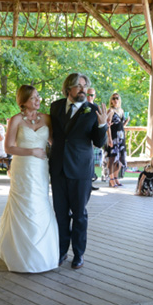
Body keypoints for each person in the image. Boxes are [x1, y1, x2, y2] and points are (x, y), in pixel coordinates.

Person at [0, 85, 59, 272]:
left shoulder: (46, 118)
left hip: (40, 168)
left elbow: (54, 141)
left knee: (39, 202)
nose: (38, 100)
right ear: (22, 101)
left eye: (38, 96)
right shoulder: (15, 120)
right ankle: (18, 253)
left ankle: (43, 254)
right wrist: (31, 151)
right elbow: (8, 148)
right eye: (32, 98)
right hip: (23, 166)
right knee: (24, 202)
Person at [49, 73, 108, 269]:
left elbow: (99, 143)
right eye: (78, 86)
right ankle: (61, 251)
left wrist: (102, 125)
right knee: (60, 214)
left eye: (85, 86)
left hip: (81, 170)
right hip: (58, 169)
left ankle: (79, 254)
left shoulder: (93, 111)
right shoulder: (55, 106)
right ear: (68, 89)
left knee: (79, 214)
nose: (83, 89)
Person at [105, 92, 129, 187]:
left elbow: (119, 125)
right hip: (113, 138)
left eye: (117, 98)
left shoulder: (121, 110)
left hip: (121, 138)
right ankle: (111, 179)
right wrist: (110, 139)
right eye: (113, 98)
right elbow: (108, 126)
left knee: (119, 159)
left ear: (119, 100)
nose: (115, 100)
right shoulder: (110, 111)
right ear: (111, 100)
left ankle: (116, 177)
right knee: (112, 159)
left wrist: (126, 122)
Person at [87, 87, 100, 191]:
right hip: (83, 139)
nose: (89, 97)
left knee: (92, 162)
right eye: (88, 94)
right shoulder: (81, 107)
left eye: (91, 95)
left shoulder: (96, 108)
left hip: (93, 139)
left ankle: (90, 183)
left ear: (94, 96)